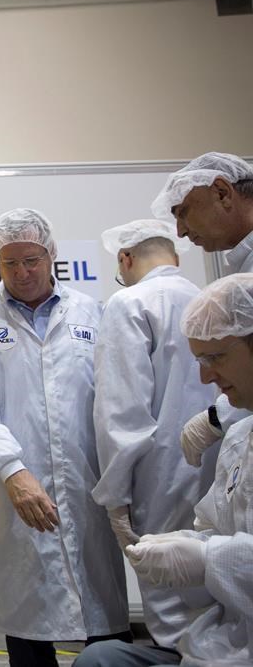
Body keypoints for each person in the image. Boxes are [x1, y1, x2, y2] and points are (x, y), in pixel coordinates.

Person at [0, 208, 130, 666]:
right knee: (26, 613)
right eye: (10, 263)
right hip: (11, 485)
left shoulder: (91, 311)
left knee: (102, 612)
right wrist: (12, 470)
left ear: (51, 256)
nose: (22, 272)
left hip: (87, 480)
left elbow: (115, 398)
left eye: (31, 260)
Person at [73, 273, 253, 667]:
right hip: (224, 644)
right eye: (200, 360)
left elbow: (119, 413)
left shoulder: (129, 304)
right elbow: (212, 526)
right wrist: (185, 544)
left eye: (216, 357)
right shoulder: (239, 441)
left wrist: (208, 559)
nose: (206, 377)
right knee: (99, 659)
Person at [91, 219, 217, 648]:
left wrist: (115, 499)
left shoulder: (128, 304)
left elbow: (121, 412)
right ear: (175, 257)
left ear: (125, 259)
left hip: (158, 475)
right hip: (222, 467)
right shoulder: (210, 299)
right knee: (215, 590)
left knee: (170, 602)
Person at [151, 154, 253, 497]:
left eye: (183, 211)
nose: (179, 229)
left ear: (223, 192)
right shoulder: (242, 261)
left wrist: (217, 416)